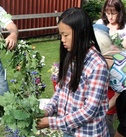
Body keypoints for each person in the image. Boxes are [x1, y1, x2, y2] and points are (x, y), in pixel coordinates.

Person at [36, 7, 110, 137]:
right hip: (69, 130)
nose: (62, 40)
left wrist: (51, 122)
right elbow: (60, 91)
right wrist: (47, 111)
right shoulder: (71, 57)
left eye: (66, 35)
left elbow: (88, 111)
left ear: (82, 33)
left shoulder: (97, 65)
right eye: (61, 35)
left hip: (88, 133)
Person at [94, 23, 118, 137]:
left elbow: (118, 95)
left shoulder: (109, 63)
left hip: (109, 104)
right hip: (103, 103)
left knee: (107, 127)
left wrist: (102, 111)